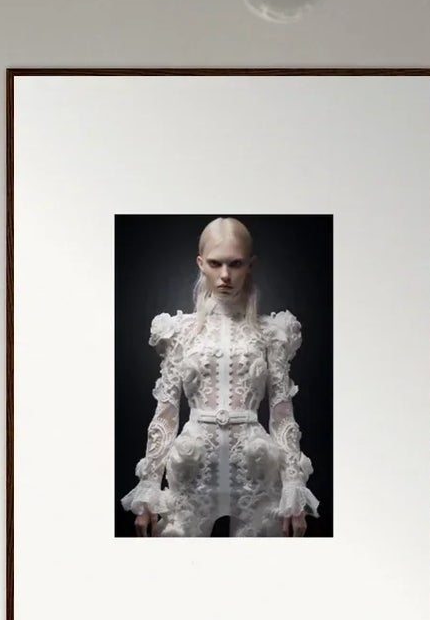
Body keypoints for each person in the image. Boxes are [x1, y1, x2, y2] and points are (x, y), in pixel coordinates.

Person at [122, 217, 319, 537]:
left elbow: (282, 415)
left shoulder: (272, 332)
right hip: (191, 467)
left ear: (250, 265)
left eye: (235, 263)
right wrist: (148, 488)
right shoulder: (179, 331)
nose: (225, 275)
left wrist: (293, 487)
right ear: (201, 264)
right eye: (215, 263)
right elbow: (166, 414)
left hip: (255, 468)